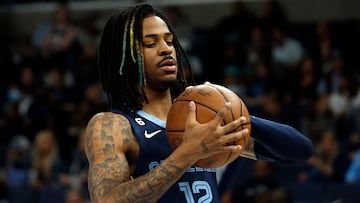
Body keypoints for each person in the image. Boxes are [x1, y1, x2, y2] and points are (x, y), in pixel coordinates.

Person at [84, 3, 313, 203]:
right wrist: (188, 153)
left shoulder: (204, 122)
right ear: (124, 57)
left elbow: (299, 151)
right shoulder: (113, 126)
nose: (166, 49)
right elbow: (107, 199)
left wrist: (233, 114)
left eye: (169, 40)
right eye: (150, 43)